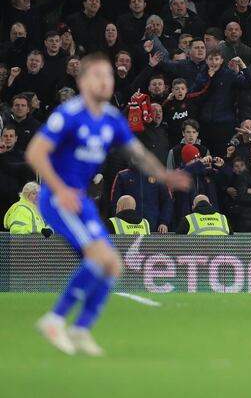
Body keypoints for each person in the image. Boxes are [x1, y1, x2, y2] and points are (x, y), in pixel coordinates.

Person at [25, 53, 190, 356]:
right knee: (100, 257)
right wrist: (60, 189)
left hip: (81, 201)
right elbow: (35, 152)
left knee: (112, 264)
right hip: (59, 198)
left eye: (109, 76)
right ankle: (55, 318)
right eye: (98, 75)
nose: (105, 81)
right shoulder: (69, 114)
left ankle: (80, 329)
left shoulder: (112, 118)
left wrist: (164, 173)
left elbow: (137, 153)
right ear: (82, 81)